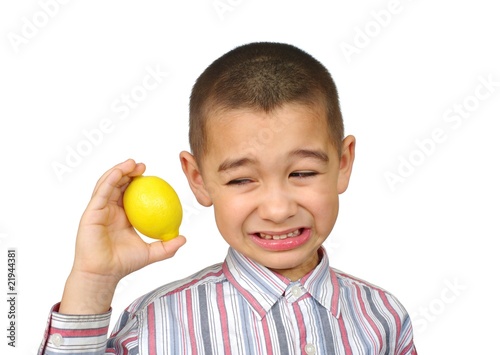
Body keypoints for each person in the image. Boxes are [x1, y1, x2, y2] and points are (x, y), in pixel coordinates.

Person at [38, 42, 417, 354]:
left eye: (302, 173)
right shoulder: (153, 326)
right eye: (241, 180)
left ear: (344, 163)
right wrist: (93, 281)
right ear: (198, 180)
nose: (278, 208)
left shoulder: (384, 317)